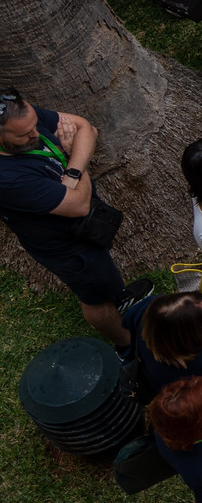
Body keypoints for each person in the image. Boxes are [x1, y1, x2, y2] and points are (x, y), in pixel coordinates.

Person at [0, 95, 139, 347]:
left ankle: (118, 296)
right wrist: (74, 155)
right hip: (66, 246)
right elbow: (79, 205)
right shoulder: (7, 179)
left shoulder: (18, 115)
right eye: (24, 135)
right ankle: (126, 344)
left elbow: (86, 127)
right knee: (94, 296)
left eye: (35, 125)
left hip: (81, 225)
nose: (36, 134)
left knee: (105, 276)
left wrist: (72, 172)